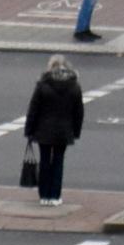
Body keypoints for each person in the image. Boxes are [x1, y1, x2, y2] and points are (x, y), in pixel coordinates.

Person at [26, 54, 85, 205]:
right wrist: (76, 131)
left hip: (43, 130)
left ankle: (44, 195)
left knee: (45, 161)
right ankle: (55, 195)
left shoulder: (42, 85)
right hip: (64, 131)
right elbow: (78, 112)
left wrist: (29, 130)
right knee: (58, 162)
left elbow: (33, 110)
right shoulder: (74, 86)